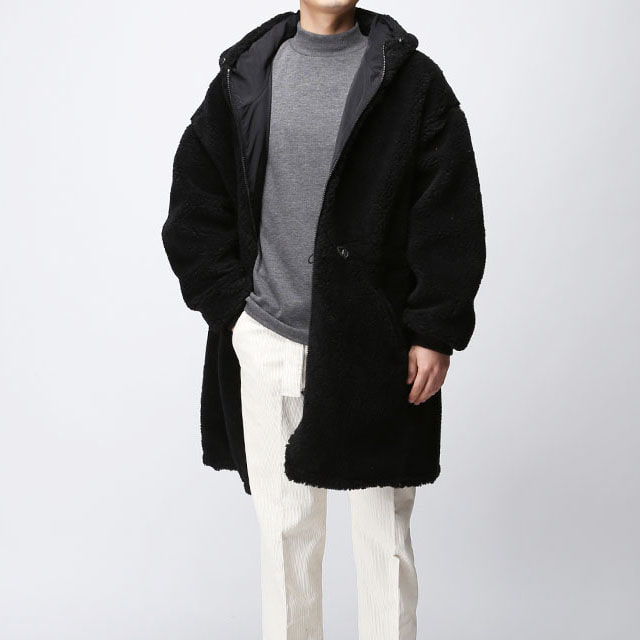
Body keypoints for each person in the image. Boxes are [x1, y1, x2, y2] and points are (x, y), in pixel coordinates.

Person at [162, 1, 486, 638]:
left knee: (384, 544)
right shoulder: (246, 75)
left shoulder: (412, 80)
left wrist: (433, 329)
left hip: (379, 351)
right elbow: (195, 202)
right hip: (269, 340)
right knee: (287, 540)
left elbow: (449, 209)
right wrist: (235, 312)